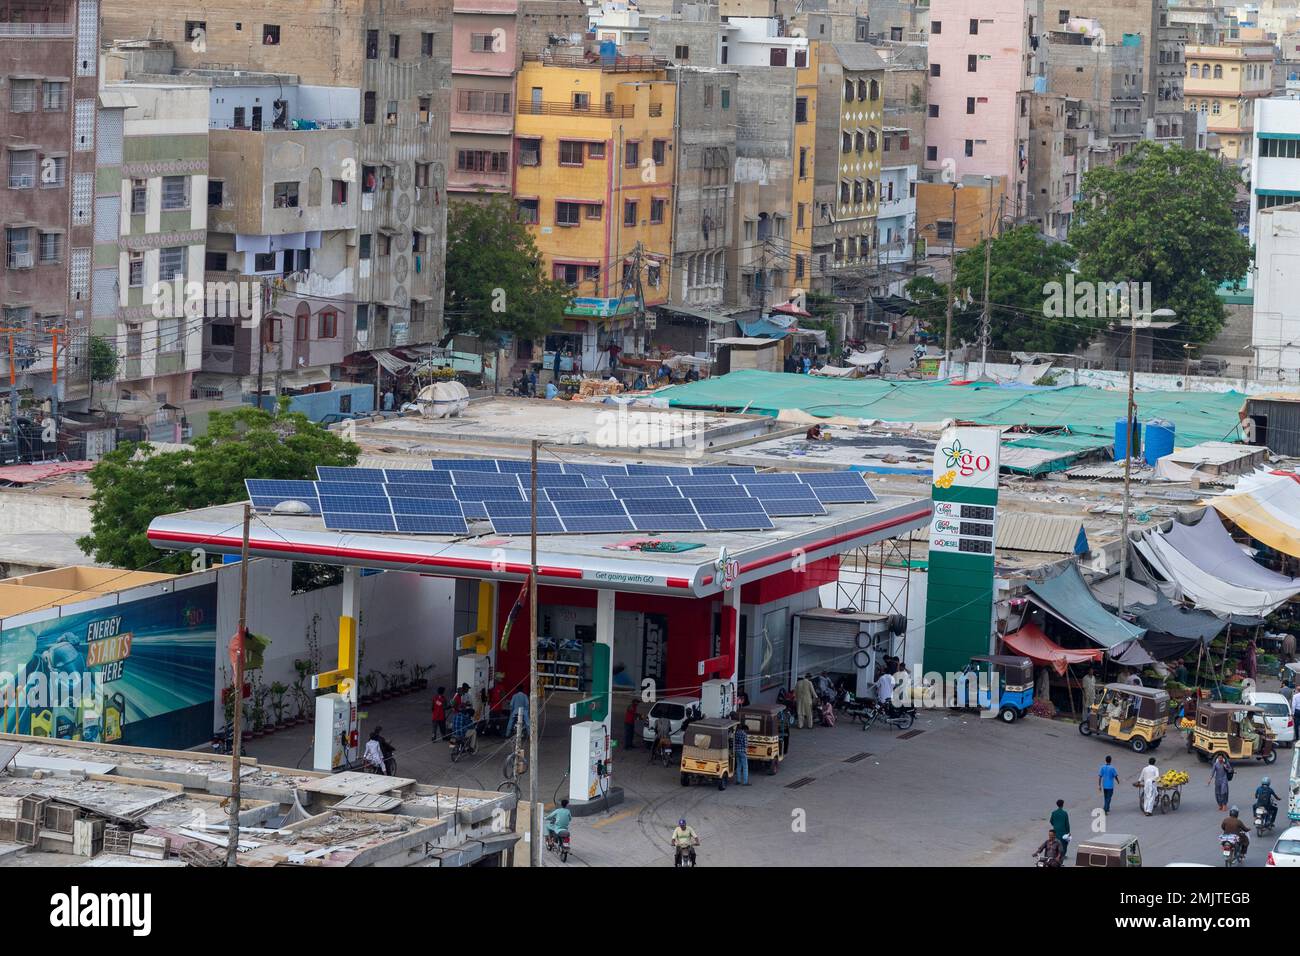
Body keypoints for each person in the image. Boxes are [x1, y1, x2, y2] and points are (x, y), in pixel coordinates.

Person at [735, 720, 750, 786]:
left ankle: (738, 780)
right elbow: (745, 744)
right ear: (745, 729)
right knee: (745, 767)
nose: (747, 732)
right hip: (742, 752)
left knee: (738, 766)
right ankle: (745, 782)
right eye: (747, 731)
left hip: (737, 751)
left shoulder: (736, 733)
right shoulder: (744, 734)